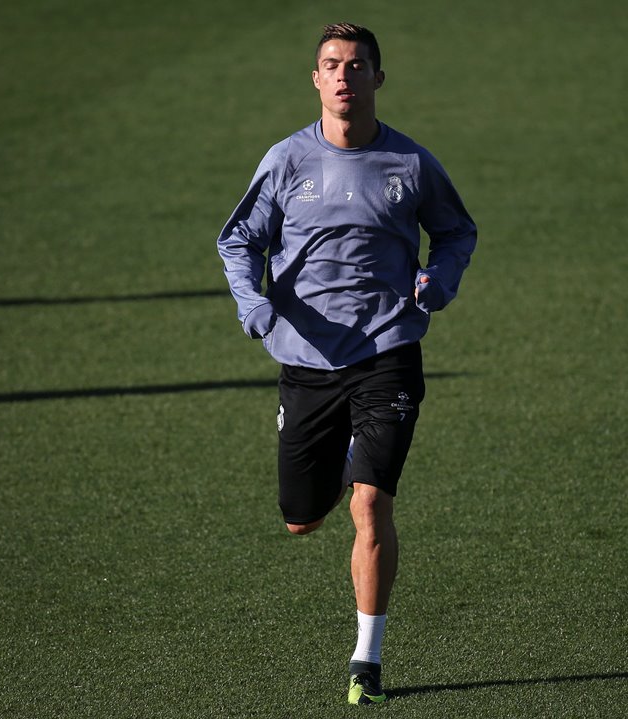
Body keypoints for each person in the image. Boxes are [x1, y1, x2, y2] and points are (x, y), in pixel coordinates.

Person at [216, 23, 477, 705]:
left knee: (371, 503)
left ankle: (367, 658)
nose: (342, 76)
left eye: (356, 66)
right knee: (303, 517)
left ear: (377, 80)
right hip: (308, 359)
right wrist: (251, 302)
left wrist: (439, 280)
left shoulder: (411, 165)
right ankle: (338, 458)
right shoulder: (286, 161)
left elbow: (455, 230)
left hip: (388, 350)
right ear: (315, 79)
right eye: (330, 65)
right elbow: (239, 240)